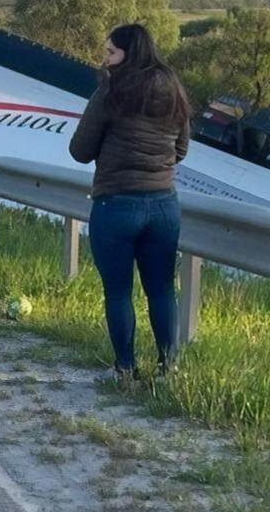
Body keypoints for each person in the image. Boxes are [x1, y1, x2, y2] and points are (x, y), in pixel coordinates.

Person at [69, 23, 191, 381]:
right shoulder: (174, 90)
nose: (104, 59)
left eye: (110, 52)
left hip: (116, 204)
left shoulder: (111, 91)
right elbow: (180, 149)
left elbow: (79, 151)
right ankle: (169, 369)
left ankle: (125, 369)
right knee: (162, 289)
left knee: (119, 291)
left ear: (127, 54)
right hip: (164, 205)